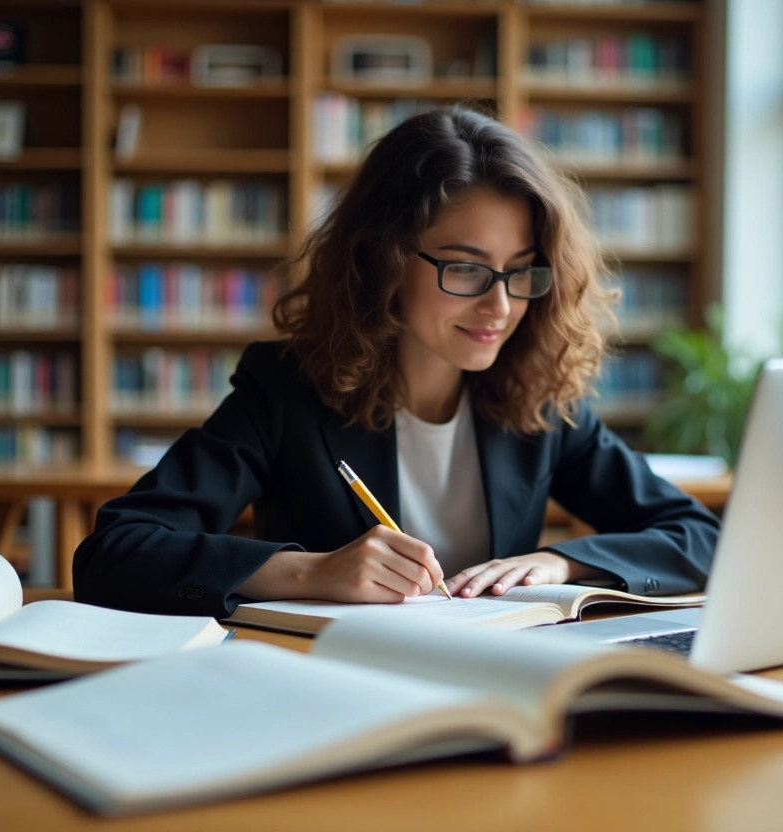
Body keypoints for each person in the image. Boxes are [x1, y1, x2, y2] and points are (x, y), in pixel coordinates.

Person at [73, 105, 719, 618]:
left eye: (521, 272)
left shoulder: (540, 400)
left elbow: (700, 537)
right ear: (381, 259)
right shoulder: (285, 392)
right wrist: (311, 571)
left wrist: (561, 565)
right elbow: (115, 553)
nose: (500, 305)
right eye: (465, 267)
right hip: (327, 688)